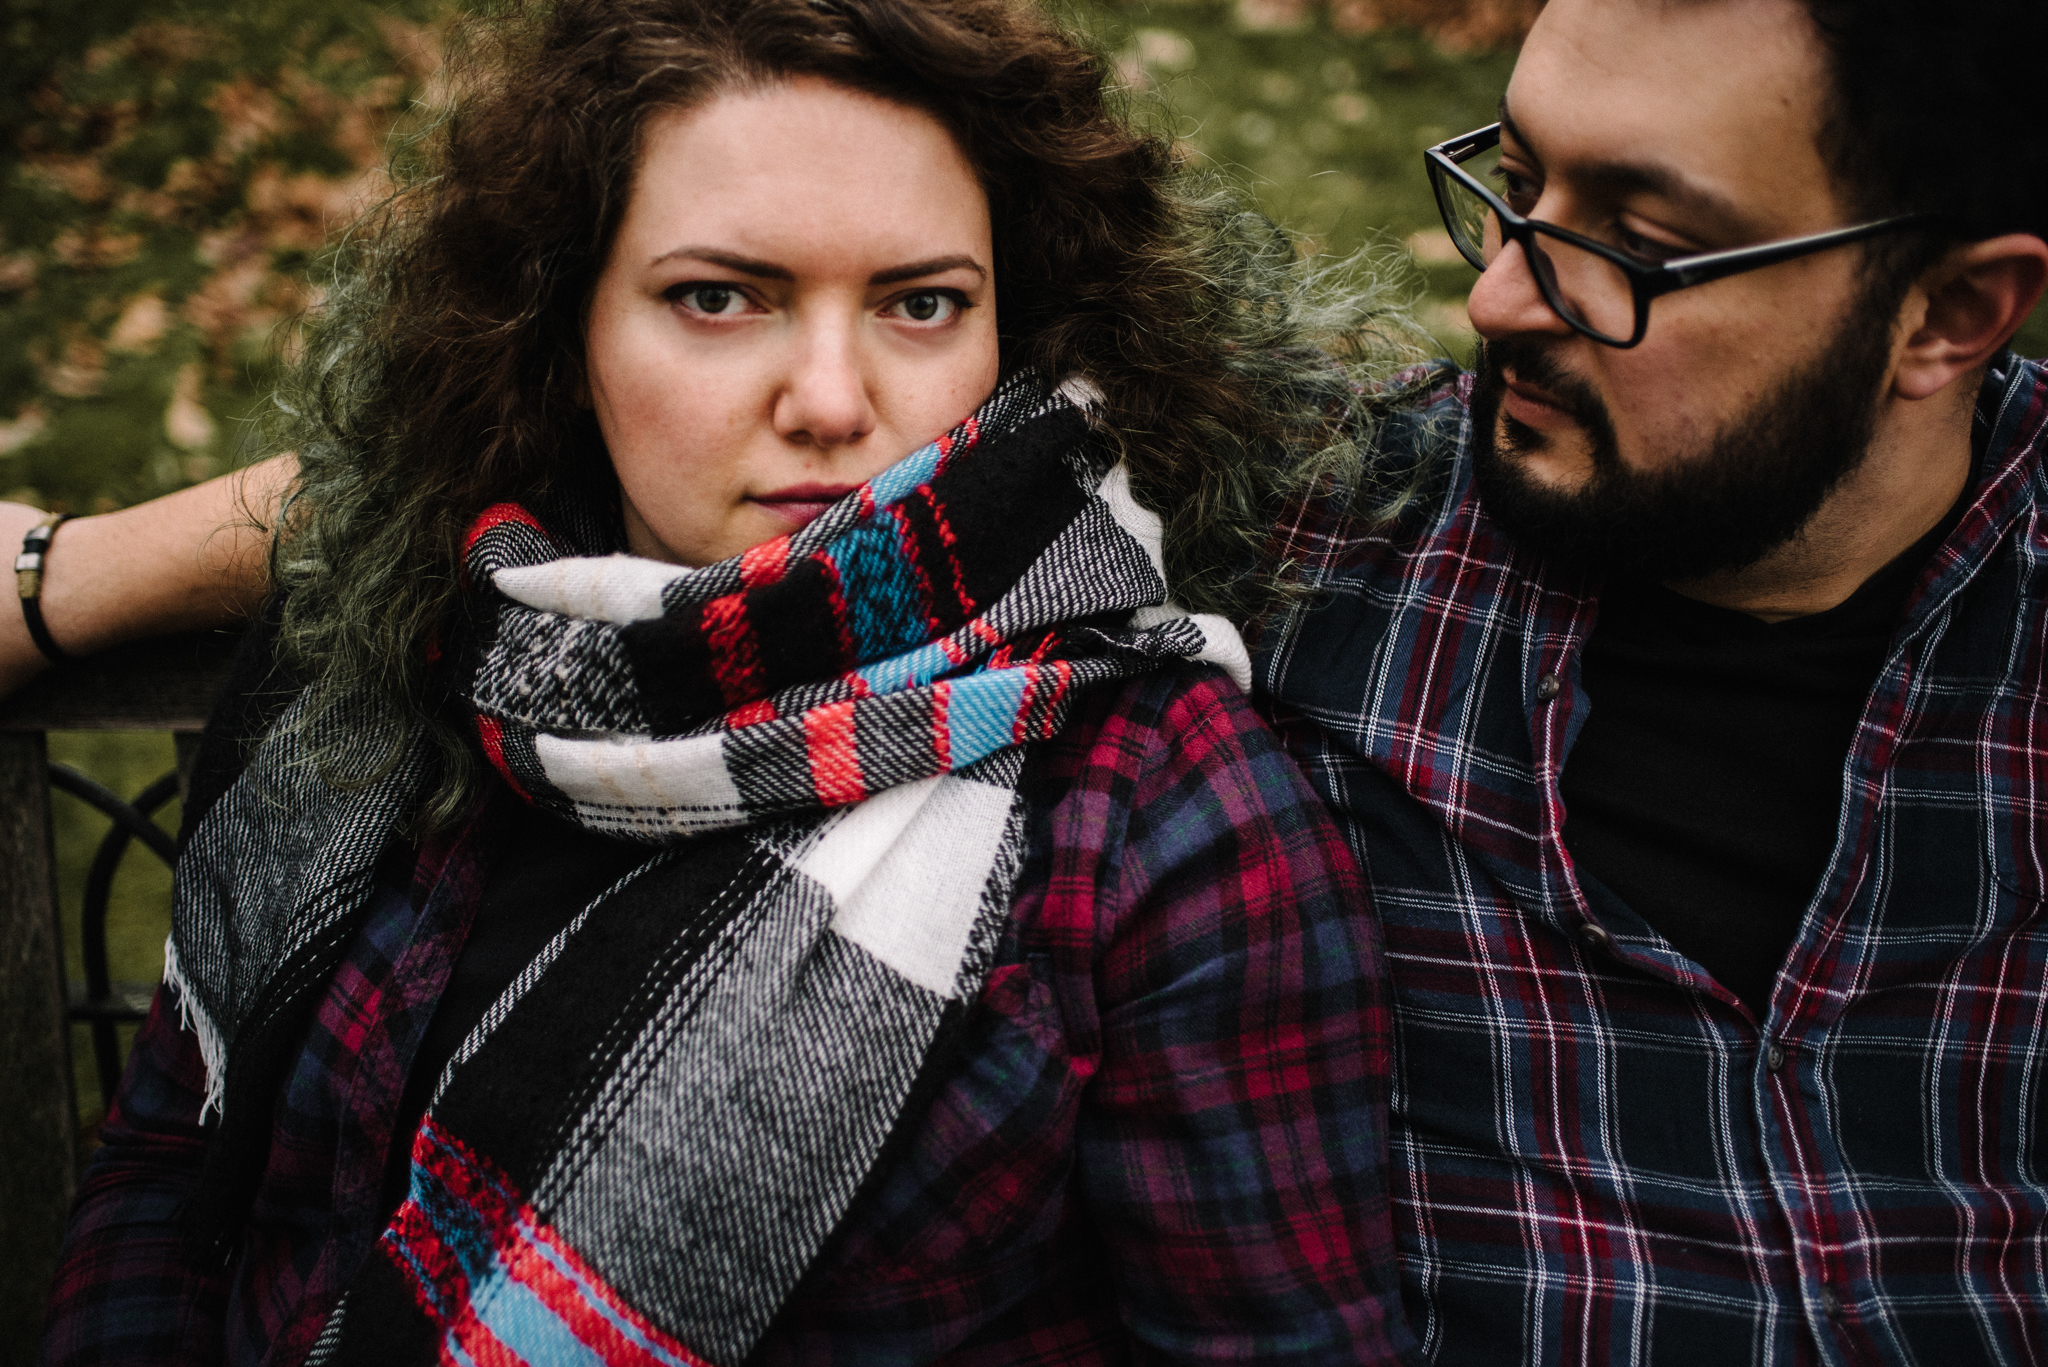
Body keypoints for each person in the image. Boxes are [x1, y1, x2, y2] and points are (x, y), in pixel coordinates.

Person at [31, 0, 1425, 1362]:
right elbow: (176, 1176)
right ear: (563, 330)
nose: (830, 399)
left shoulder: (1157, 815)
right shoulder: (401, 638)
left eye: (923, 303)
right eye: (718, 298)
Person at [1254, 0, 2048, 1360]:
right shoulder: (1295, 565)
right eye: (1514, 189)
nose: (1498, 296)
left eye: (1634, 246)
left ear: (1946, 315)